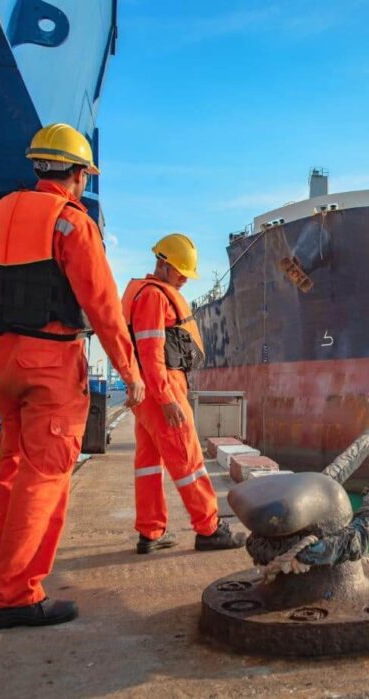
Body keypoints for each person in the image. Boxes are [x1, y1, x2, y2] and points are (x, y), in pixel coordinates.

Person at [0, 123, 144, 630]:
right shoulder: (71, 223)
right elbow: (103, 306)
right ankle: (16, 596)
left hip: (4, 358)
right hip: (53, 363)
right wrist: (129, 371)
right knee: (45, 479)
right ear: (79, 174)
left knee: (14, 472)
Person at [122, 233, 245, 554]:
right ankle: (209, 528)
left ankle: (150, 532)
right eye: (180, 273)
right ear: (163, 265)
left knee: (148, 463)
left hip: (145, 391)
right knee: (188, 460)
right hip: (162, 387)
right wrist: (166, 399)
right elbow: (151, 353)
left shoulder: (141, 293)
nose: (184, 281)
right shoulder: (154, 297)